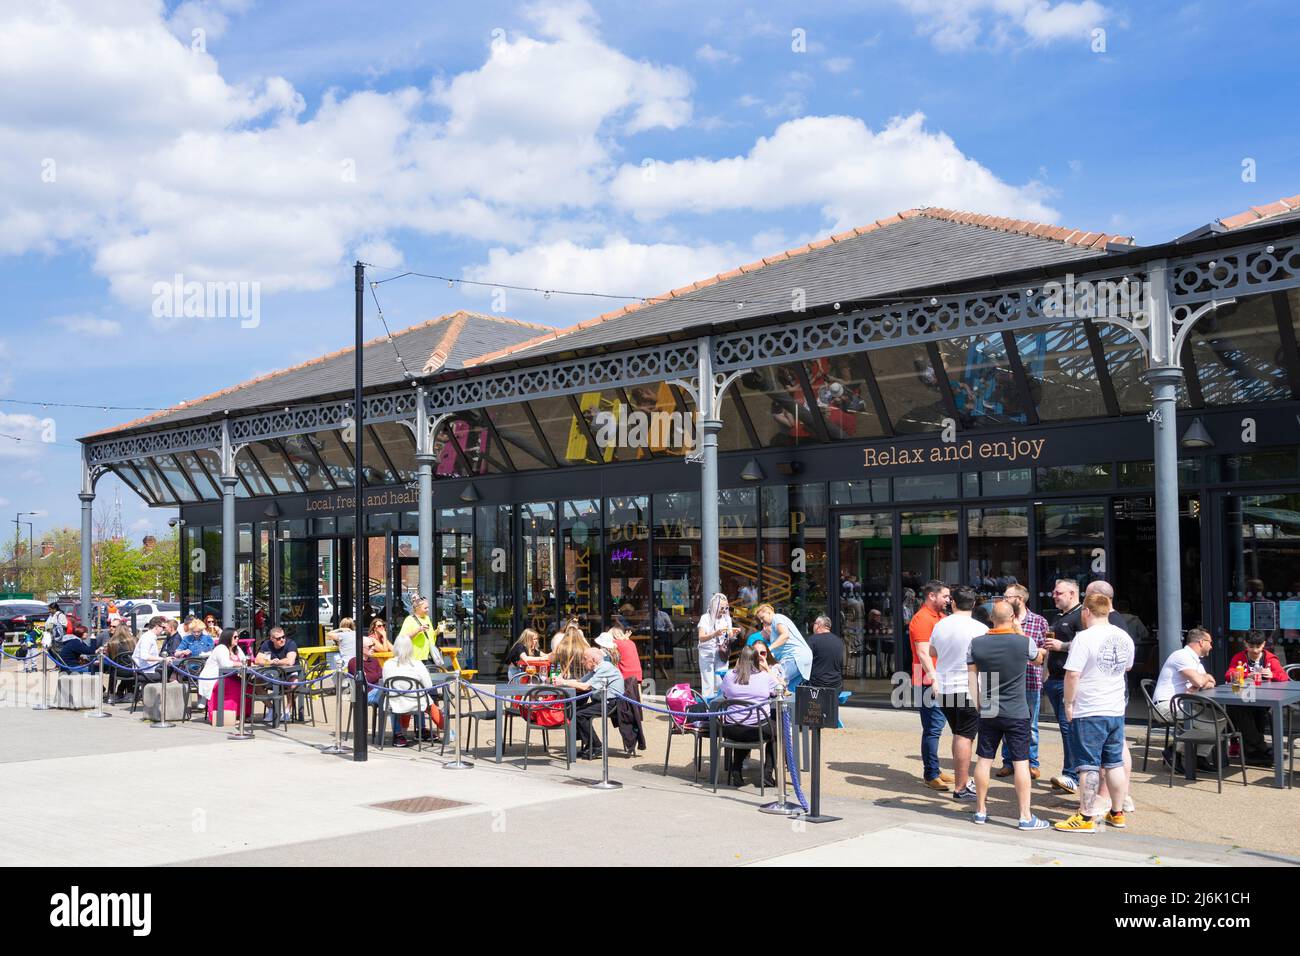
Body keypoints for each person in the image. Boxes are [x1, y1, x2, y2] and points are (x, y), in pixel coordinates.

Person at [1055, 592, 1135, 833]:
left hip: (1090, 708)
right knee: (1114, 763)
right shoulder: (1124, 636)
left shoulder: (1084, 638)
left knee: (1087, 765)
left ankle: (1086, 816)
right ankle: (1117, 812)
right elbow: (1128, 666)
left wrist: (1069, 703)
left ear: (1086, 612)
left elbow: (1073, 674)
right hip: (1115, 708)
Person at [968, 599, 1050, 830]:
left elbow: (972, 677)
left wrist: (978, 704)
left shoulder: (976, 643)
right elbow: (1038, 659)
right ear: (1013, 618)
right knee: (1021, 762)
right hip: (1017, 708)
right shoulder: (1024, 642)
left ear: (991, 619)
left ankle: (980, 811)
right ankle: (1025, 816)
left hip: (989, 707)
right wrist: (1019, 631)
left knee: (984, 759)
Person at [925, 586, 986, 801]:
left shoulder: (940, 625)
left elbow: (932, 651)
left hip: (944, 687)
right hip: (968, 688)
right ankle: (961, 786)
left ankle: (963, 781)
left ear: (953, 603)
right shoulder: (980, 628)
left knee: (959, 733)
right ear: (974, 604)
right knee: (965, 736)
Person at [997, 582, 1049, 780]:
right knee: (1005, 723)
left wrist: (1022, 636)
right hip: (1005, 681)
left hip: (1029, 680)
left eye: (1007, 596)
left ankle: (1032, 763)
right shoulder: (1001, 621)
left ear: (1019, 599)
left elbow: (1044, 651)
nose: (1003, 600)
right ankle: (1008, 762)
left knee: (1031, 725)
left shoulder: (1039, 621)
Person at [1152, 627, 1217, 767]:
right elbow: (1201, 681)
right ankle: (1173, 751)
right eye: (1210, 642)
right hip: (1165, 706)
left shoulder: (1195, 661)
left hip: (1183, 705)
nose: (1211, 646)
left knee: (1219, 720)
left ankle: (1199, 757)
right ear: (1201, 642)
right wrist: (1201, 680)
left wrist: (1201, 680)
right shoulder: (1181, 656)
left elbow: (1211, 683)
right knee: (1211, 725)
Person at [908, 580, 952, 791]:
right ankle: (931, 773)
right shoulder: (922, 619)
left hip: (940, 678)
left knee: (939, 725)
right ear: (932, 596)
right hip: (928, 680)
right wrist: (934, 679)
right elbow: (923, 653)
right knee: (933, 727)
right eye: (945, 596)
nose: (948, 600)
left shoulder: (941, 617)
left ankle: (935, 768)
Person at [1042, 579, 1082, 794]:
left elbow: (1087, 643)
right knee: (1066, 730)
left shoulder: (1082, 615)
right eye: (1054, 592)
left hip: (1070, 680)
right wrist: (1044, 675)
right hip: (1055, 680)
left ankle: (1071, 774)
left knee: (1070, 730)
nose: (1054, 596)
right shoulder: (1058, 617)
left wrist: (1062, 646)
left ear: (1072, 593)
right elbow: (1050, 648)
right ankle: (1070, 773)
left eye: (1058, 593)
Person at [1225, 632, 1289, 763]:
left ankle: (1254, 751)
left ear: (1264, 644)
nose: (1255, 650)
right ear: (1245, 644)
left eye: (1258, 646)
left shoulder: (1269, 658)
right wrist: (1246, 675)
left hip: (1265, 698)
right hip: (1243, 695)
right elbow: (1229, 674)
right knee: (1236, 708)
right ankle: (1259, 749)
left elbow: (1284, 676)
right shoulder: (1239, 657)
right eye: (1251, 646)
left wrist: (1272, 674)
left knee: (1252, 711)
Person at [719, 645, 778, 787]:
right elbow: (780, 690)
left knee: (744, 725)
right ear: (757, 660)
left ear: (740, 660)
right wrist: (768, 670)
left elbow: (725, 695)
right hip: (757, 729)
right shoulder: (765, 678)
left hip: (732, 728)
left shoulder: (729, 676)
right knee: (778, 731)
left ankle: (736, 769)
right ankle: (767, 773)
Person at [555, 646, 624, 759]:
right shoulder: (595, 669)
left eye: (584, 658)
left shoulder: (605, 667)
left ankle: (596, 745)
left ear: (593, 660)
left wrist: (563, 682)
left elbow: (585, 686)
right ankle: (589, 745)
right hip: (602, 700)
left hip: (612, 702)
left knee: (579, 715)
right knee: (575, 712)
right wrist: (562, 682)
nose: (582, 662)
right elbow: (580, 681)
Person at [380, 634, 436, 748]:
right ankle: (433, 729)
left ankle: (398, 733)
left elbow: (386, 682)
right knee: (426, 699)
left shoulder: (387, 664)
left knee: (398, 698)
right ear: (411, 648)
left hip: (394, 702)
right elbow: (428, 686)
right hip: (416, 703)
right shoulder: (417, 664)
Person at [605, 625, 645, 756]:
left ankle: (627, 736)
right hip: (636, 676)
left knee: (621, 707)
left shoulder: (615, 643)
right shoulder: (630, 642)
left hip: (625, 677)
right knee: (634, 707)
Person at [755, 603, 812, 693]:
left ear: (769, 612)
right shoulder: (775, 625)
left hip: (795, 657)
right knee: (789, 690)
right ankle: (789, 707)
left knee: (775, 680)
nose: (762, 621)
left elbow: (785, 635)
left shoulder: (777, 618)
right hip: (801, 658)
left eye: (762, 618)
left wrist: (769, 649)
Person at [198, 628, 250, 723]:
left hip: (229, 676)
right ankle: (229, 716)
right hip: (215, 678)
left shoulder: (237, 648)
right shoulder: (220, 648)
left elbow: (244, 660)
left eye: (238, 636)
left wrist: (245, 662)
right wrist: (239, 663)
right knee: (236, 687)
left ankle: (243, 714)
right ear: (228, 637)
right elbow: (225, 664)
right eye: (235, 637)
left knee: (248, 686)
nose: (237, 639)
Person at [697, 593, 741, 699]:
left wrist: (734, 633)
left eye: (726, 607)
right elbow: (701, 637)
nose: (725, 610)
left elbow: (729, 635)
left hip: (722, 652)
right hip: (707, 652)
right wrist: (714, 634)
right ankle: (708, 708)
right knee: (708, 682)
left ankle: (720, 704)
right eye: (722, 607)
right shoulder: (705, 618)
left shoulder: (727, 618)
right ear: (714, 606)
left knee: (720, 680)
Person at [255, 627, 299, 725]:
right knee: (257, 683)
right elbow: (257, 660)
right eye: (278, 638)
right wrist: (270, 662)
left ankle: (287, 710)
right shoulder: (267, 644)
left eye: (283, 637)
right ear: (272, 639)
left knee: (293, 684)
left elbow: (290, 661)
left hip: (290, 673)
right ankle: (272, 708)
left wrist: (277, 662)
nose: (282, 639)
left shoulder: (290, 643)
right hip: (272, 675)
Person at [398, 597, 443, 668]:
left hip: (428, 656)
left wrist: (438, 631)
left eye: (428, 607)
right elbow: (403, 637)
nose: (428, 610)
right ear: (417, 608)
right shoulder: (409, 619)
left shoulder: (427, 618)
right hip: (415, 657)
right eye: (425, 608)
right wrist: (418, 630)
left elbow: (430, 636)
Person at [807, 614, 844, 690]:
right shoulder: (839, 640)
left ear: (818, 625)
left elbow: (805, 661)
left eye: (814, 624)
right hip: (836, 685)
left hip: (817, 685)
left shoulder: (813, 639)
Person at [131, 616, 168, 683]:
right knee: (168, 674)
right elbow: (144, 656)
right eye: (163, 627)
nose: (164, 630)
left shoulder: (149, 636)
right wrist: (163, 659)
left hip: (146, 669)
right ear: (157, 627)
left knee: (168, 672)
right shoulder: (147, 638)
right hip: (144, 672)